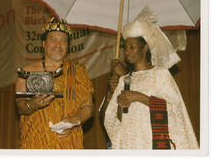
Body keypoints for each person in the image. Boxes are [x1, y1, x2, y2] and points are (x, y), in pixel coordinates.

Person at [103, 10, 199, 149]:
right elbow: (114, 119)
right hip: (130, 142)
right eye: (125, 47)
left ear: (145, 48)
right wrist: (119, 103)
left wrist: (139, 97)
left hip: (152, 142)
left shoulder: (161, 74)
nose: (128, 51)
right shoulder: (124, 80)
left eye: (132, 47)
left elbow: (174, 110)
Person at [15, 17, 94, 149]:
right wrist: (33, 104)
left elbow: (88, 107)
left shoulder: (77, 71)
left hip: (70, 143)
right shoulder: (27, 72)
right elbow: (20, 106)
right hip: (35, 142)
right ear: (43, 44)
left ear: (67, 46)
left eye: (63, 41)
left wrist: (75, 120)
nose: (58, 45)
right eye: (53, 40)